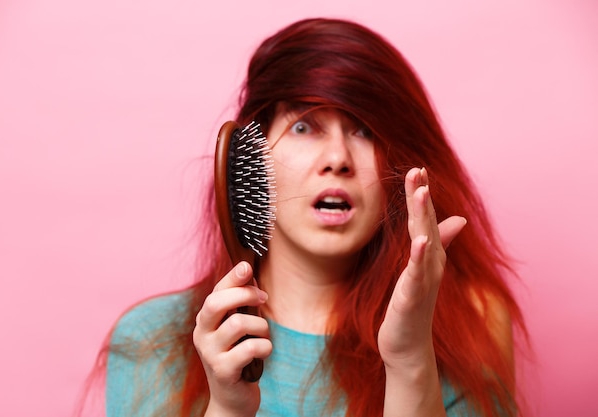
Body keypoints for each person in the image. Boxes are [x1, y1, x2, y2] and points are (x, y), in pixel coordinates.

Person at [94, 17, 527, 417]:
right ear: (253, 157)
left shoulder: (468, 324)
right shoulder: (151, 340)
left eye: (364, 130)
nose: (337, 158)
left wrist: (411, 360)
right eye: (304, 126)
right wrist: (226, 407)